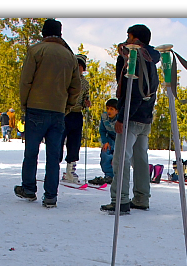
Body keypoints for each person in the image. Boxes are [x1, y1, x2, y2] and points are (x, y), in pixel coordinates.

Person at [14, 18, 81, 209]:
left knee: (31, 152)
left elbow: (26, 81)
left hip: (36, 108)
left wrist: (25, 103)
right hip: (58, 111)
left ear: (44, 33)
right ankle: (51, 195)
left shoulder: (36, 51)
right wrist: (67, 106)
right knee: (54, 155)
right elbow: (75, 86)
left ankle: (28, 188)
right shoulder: (70, 56)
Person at [101, 24, 160, 214]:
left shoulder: (132, 58)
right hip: (145, 116)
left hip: (131, 116)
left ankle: (120, 199)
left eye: (129, 36)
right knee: (140, 159)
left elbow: (130, 90)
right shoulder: (151, 59)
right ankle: (142, 197)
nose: (126, 40)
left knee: (121, 159)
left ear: (135, 39)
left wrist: (122, 116)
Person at [61, 53, 91, 183]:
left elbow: (86, 97)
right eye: (76, 65)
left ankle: (70, 170)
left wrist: (86, 102)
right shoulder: (66, 78)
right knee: (58, 141)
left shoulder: (85, 83)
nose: (78, 68)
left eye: (81, 66)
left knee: (75, 143)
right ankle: (52, 169)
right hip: (64, 113)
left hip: (77, 114)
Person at [90, 97, 118, 185]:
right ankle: (109, 175)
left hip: (120, 139)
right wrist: (105, 141)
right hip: (109, 138)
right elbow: (102, 130)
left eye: (112, 109)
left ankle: (118, 175)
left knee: (117, 157)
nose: (109, 111)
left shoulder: (121, 118)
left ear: (117, 111)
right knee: (105, 154)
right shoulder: (104, 117)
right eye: (107, 108)